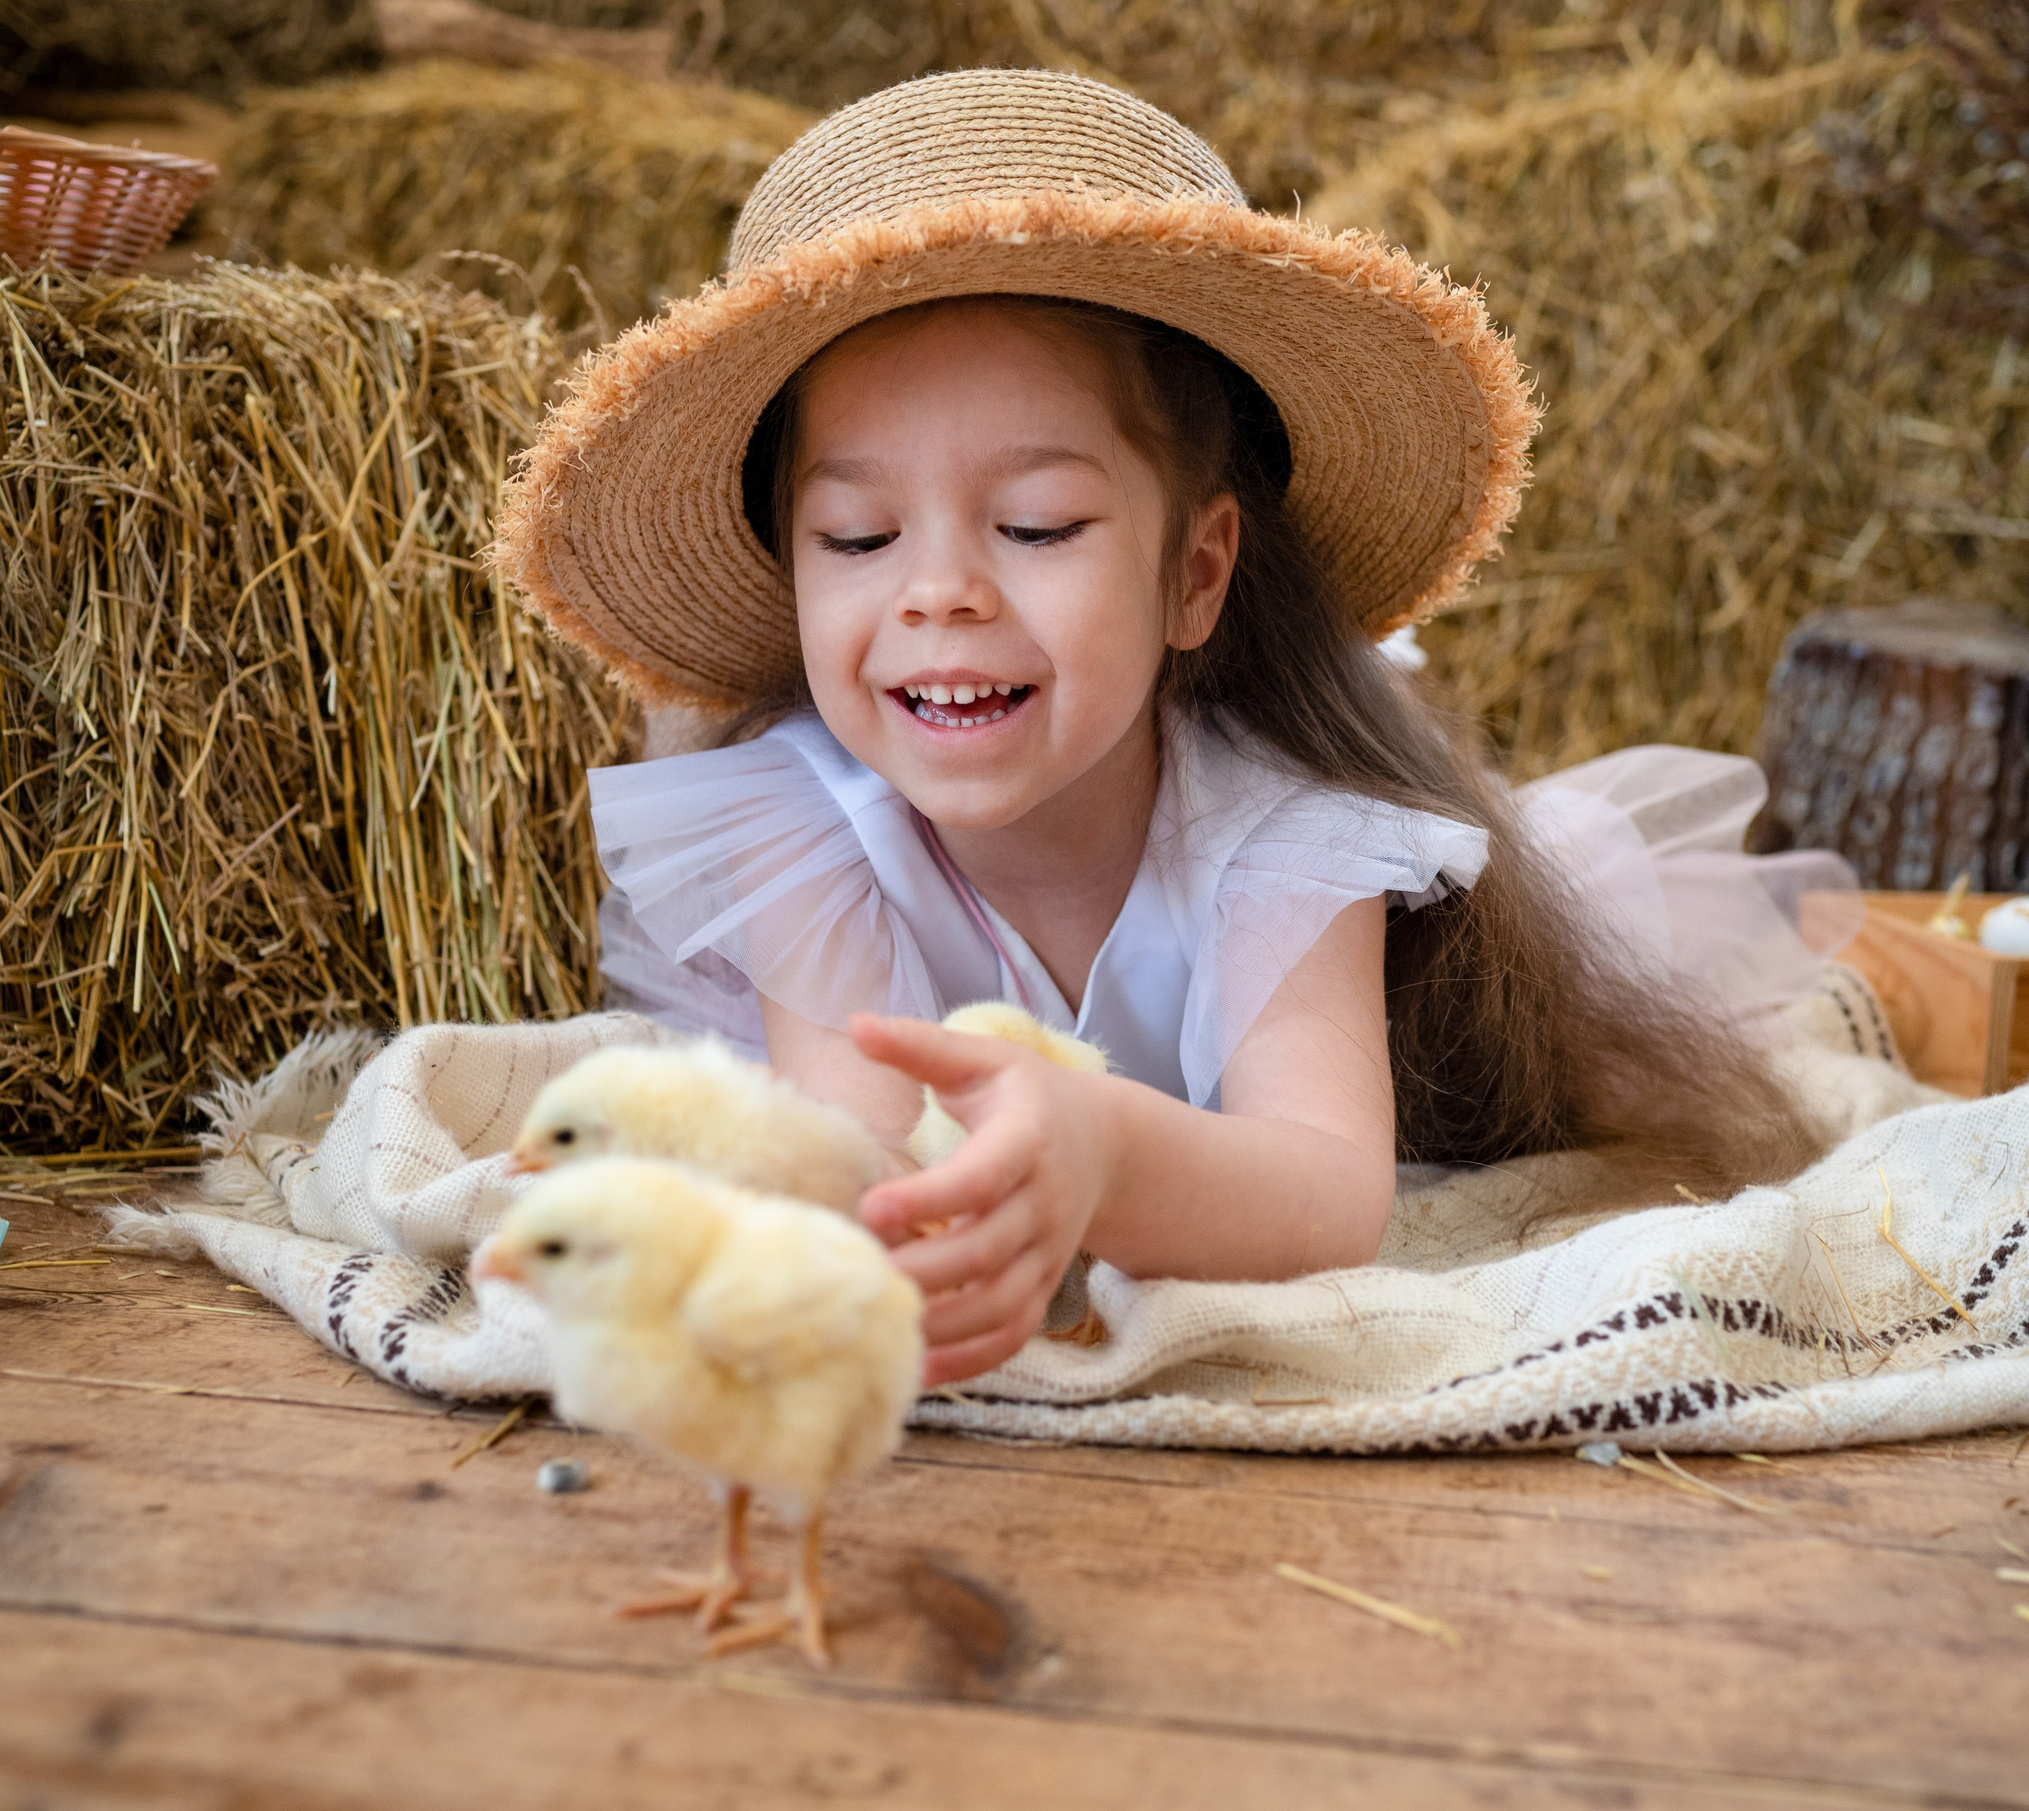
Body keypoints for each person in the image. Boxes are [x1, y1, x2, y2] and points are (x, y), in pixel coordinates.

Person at [495, 69, 1857, 1386]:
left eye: (1037, 526)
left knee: (1698, 988)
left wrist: (1103, 1157)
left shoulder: (1287, 838)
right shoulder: (802, 824)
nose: (939, 594)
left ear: (1194, 575)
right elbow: (851, 1148)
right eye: (857, 534)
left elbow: (1328, 1188)